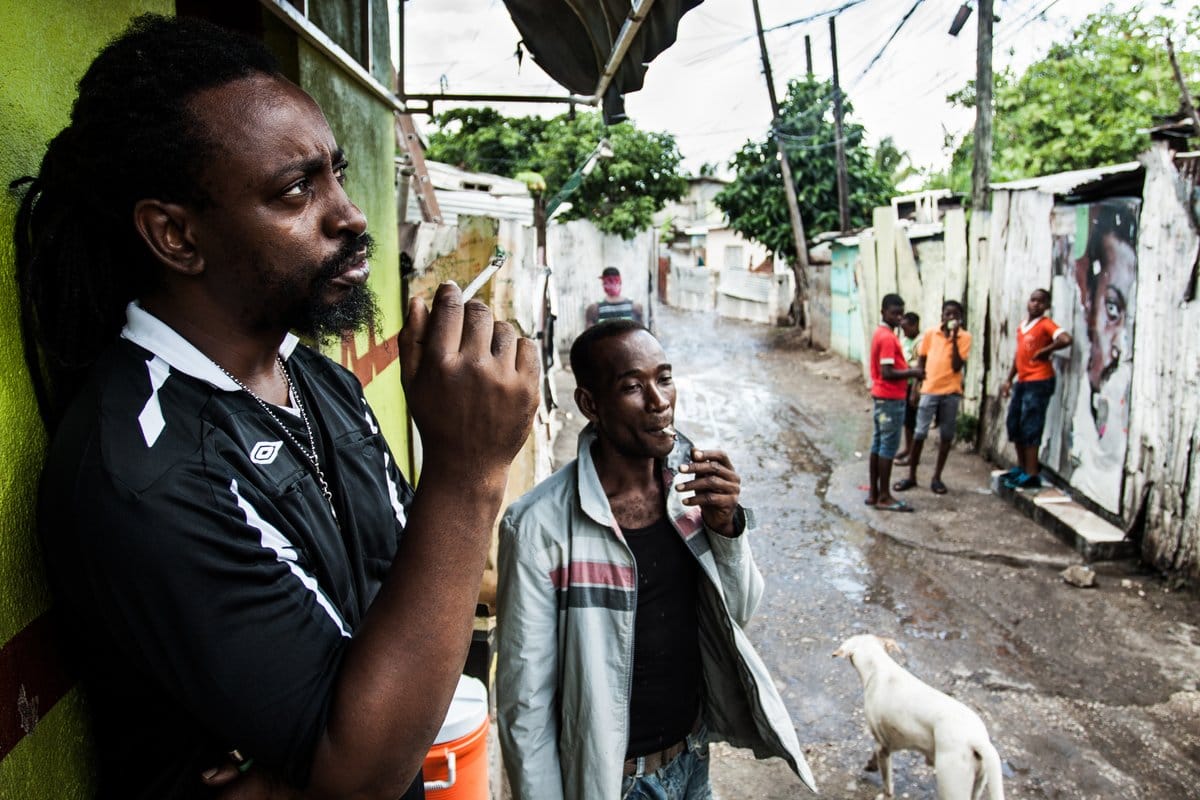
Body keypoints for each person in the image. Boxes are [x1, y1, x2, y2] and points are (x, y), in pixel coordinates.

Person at [12, 15, 539, 799]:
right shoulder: (145, 471)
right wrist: (466, 472)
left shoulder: (316, 377)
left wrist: (308, 770)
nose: (349, 214)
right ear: (175, 236)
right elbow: (361, 771)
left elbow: (412, 618)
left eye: (336, 173)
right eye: (296, 190)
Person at [495, 320, 817, 800]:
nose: (658, 399)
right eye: (631, 386)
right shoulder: (538, 527)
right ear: (590, 405)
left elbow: (741, 611)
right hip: (616, 783)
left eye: (664, 378)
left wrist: (726, 527)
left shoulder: (692, 495)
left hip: (691, 760)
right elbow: (525, 704)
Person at [894, 300, 972, 495]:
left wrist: (953, 339)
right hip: (929, 389)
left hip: (951, 392)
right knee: (920, 433)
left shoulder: (965, 337)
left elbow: (956, 366)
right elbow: (922, 360)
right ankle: (912, 475)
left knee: (946, 436)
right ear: (942, 316)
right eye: (948, 314)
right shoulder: (931, 334)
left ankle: (937, 477)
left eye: (955, 315)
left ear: (960, 318)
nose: (951, 318)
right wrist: (915, 388)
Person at [1000, 289, 1072, 489]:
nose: (1036, 305)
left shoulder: (1045, 324)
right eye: (1033, 300)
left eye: (1041, 302)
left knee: (1031, 424)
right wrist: (1008, 379)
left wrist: (1045, 351)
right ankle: (1022, 467)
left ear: (1046, 306)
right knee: (1014, 423)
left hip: (1039, 380)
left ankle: (1032, 473)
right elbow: (1019, 355)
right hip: (1023, 380)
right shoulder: (1023, 326)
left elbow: (1066, 339)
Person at [867, 294, 924, 512]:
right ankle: (884, 495)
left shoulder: (881, 333)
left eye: (901, 313)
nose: (899, 318)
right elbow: (887, 372)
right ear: (883, 312)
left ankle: (874, 493)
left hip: (883, 396)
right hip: (890, 397)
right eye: (894, 313)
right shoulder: (888, 338)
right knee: (887, 447)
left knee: (878, 444)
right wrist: (914, 371)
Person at [894, 311, 922, 465]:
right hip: (904, 384)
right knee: (907, 420)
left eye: (906, 328)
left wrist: (914, 391)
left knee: (913, 420)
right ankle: (908, 448)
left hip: (914, 386)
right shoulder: (905, 340)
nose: (904, 332)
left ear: (915, 325)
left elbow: (919, 368)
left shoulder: (920, 342)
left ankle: (913, 454)